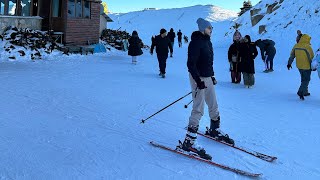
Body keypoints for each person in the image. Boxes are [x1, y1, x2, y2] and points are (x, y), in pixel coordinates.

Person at [177, 18, 234, 160]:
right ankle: (188, 142)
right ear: (203, 28)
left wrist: (212, 76)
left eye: (212, 28)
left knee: (213, 104)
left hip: (207, 77)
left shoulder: (208, 41)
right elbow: (191, 64)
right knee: (198, 108)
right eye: (209, 28)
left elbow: (208, 61)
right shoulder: (195, 42)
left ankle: (214, 129)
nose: (211, 30)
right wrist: (198, 80)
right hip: (198, 78)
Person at [287, 34, 315, 100]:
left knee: (303, 79)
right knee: (307, 79)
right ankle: (301, 91)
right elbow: (311, 57)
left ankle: (305, 91)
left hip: (299, 66)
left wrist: (289, 63)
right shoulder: (308, 47)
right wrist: (313, 66)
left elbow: (292, 56)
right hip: (307, 66)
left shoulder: (296, 45)